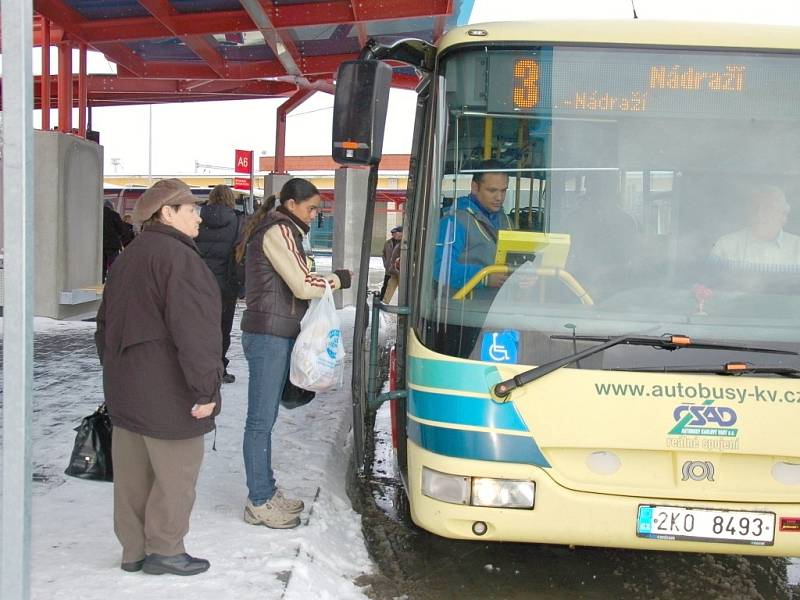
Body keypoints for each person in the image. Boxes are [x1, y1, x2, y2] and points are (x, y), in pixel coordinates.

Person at [95, 178, 222, 577]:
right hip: (169, 391)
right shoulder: (180, 259)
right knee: (175, 475)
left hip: (126, 389)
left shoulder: (129, 256)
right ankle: (165, 549)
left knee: (133, 477)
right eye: (191, 209)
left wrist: (116, 373)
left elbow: (103, 326)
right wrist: (206, 389)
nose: (199, 217)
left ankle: (133, 550)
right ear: (167, 212)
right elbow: (196, 333)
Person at [237, 178, 351, 529]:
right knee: (260, 421)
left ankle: (267, 491)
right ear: (290, 204)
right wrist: (336, 279)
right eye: (312, 208)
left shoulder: (284, 230)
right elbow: (302, 283)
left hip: (275, 332)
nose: (315, 215)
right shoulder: (279, 231)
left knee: (266, 418)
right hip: (269, 335)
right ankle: (259, 499)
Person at [433, 159, 512, 293]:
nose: (499, 197)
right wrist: (484, 277)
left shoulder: (506, 220)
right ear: (474, 187)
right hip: (464, 307)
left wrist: (521, 274)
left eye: (503, 191)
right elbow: (439, 267)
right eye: (492, 190)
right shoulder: (454, 221)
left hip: (498, 304)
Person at [195, 184, 241, 384]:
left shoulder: (196, 219)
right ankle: (219, 369)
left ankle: (198, 368)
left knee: (199, 327)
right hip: (225, 285)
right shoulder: (238, 221)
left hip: (199, 283)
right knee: (223, 329)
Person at [710, 185, 800, 268]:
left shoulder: (797, 247)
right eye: (755, 208)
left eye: (767, 208)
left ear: (783, 214)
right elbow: (707, 282)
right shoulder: (725, 246)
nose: (760, 214)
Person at [102, 199, 134, 282]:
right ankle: (113, 281)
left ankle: (101, 281)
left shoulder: (98, 215)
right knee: (114, 265)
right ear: (111, 207)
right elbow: (121, 230)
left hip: (100, 246)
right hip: (112, 245)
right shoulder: (114, 215)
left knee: (102, 266)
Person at [380, 225, 402, 301]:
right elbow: (383, 253)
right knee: (387, 286)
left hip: (400, 270)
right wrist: (386, 264)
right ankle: (384, 301)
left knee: (402, 288)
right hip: (390, 269)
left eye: (395, 233)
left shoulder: (404, 244)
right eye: (393, 233)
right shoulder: (388, 243)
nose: (393, 235)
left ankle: (403, 303)